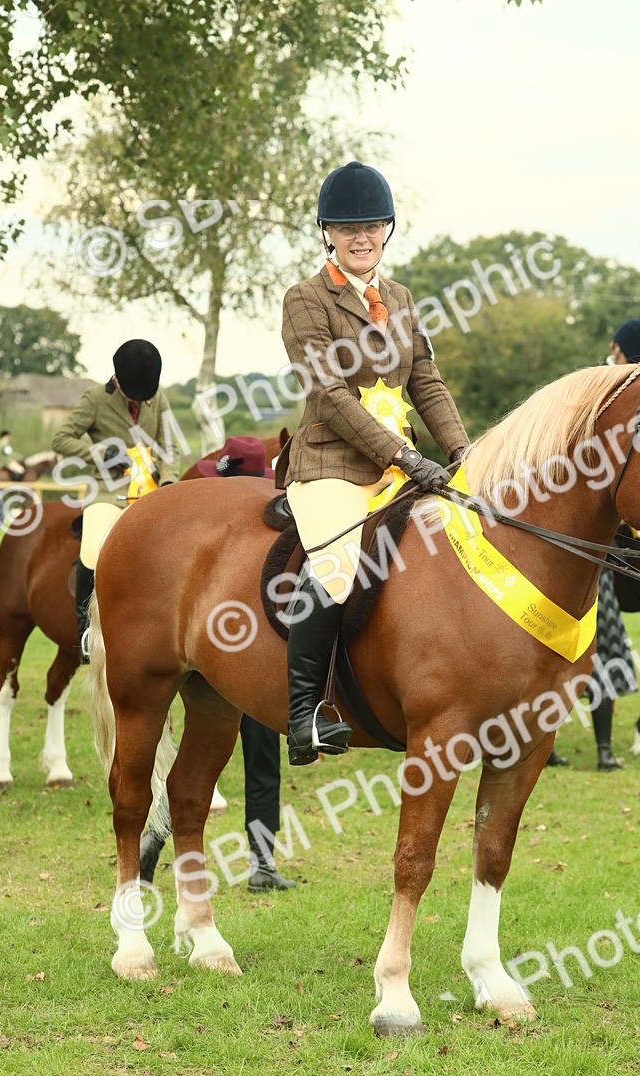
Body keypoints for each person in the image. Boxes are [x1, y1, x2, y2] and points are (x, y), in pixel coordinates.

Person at [278, 160, 469, 766]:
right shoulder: (306, 299)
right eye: (347, 226)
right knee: (336, 568)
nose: (361, 236)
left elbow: (428, 384)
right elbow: (330, 398)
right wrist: (408, 457)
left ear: (388, 229)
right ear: (327, 232)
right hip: (330, 462)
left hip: (399, 465)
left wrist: (464, 451)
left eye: (372, 225)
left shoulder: (402, 299)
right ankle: (304, 714)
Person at [138, 435, 296, 892]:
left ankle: (157, 836)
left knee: (199, 753)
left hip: (244, 650)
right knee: (247, 758)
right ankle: (260, 860)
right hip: (252, 655)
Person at [51, 340, 179, 661]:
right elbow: (61, 438)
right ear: (119, 379)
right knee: (93, 547)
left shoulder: (157, 396)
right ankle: (86, 629)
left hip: (151, 491)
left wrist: (168, 483)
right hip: (107, 490)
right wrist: (97, 452)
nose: (144, 399)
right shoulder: (95, 399)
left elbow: (171, 447)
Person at [587, 319, 640, 768]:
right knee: (606, 644)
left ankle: (555, 746)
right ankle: (605, 750)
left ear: (617, 348)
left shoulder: (603, 389)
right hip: (608, 544)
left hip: (596, 542)